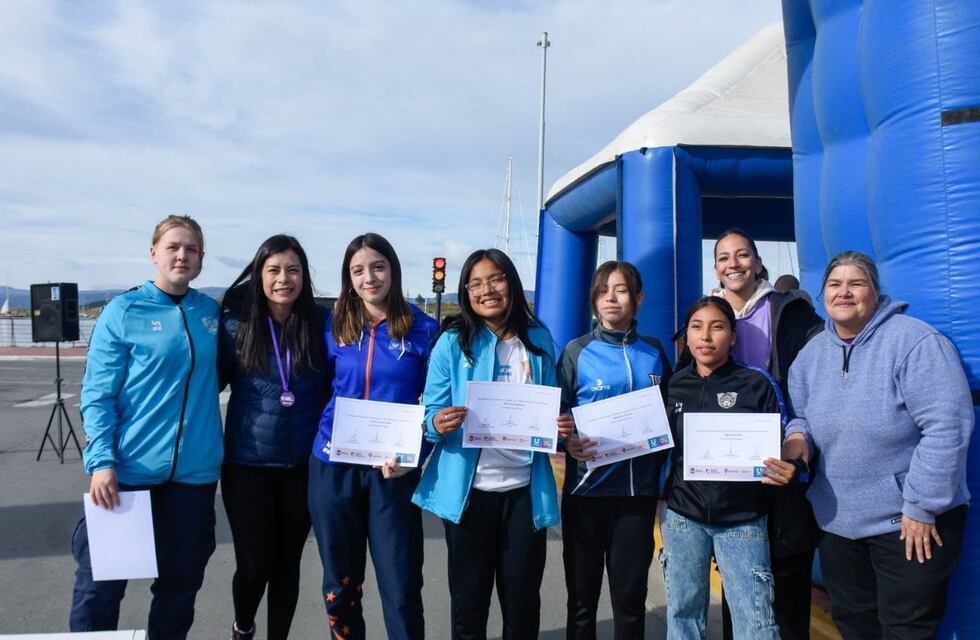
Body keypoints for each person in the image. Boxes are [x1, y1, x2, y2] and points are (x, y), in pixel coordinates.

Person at [783, 251, 973, 638]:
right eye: (835, 284)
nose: (845, 292)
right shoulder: (810, 356)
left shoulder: (915, 341)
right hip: (839, 523)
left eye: (857, 283)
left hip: (908, 522)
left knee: (906, 630)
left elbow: (946, 426)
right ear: (822, 296)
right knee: (855, 627)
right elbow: (801, 415)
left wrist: (921, 506)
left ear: (875, 291)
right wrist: (798, 438)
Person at [70, 215, 223, 639]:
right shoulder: (124, 311)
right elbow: (97, 394)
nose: (181, 255)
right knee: (100, 590)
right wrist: (102, 461)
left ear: (201, 259)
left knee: (179, 588)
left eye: (191, 249)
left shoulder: (210, 313)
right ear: (153, 252)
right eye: (173, 246)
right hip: (128, 475)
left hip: (193, 479)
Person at [412, 248, 561, 640]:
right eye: (475, 283)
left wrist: (561, 426)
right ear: (465, 292)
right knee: (468, 605)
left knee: (523, 604)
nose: (486, 290)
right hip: (469, 495)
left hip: (524, 493)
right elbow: (430, 412)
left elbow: (554, 403)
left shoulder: (540, 339)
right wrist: (436, 423)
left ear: (511, 282)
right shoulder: (452, 342)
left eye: (495, 279)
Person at [308, 233, 437, 640]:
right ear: (348, 278)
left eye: (378, 267)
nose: (369, 277)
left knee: (400, 587)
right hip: (334, 467)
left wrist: (416, 454)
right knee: (340, 585)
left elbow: (436, 406)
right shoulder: (333, 327)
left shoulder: (424, 330)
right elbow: (317, 389)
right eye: (358, 270)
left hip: (392, 474)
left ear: (394, 271)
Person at [659, 296, 797, 640]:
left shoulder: (757, 383)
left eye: (717, 327)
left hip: (743, 519)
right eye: (697, 327)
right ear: (686, 338)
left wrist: (787, 466)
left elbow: (785, 438)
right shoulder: (672, 385)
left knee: (756, 622)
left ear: (733, 336)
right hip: (682, 517)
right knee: (683, 615)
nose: (706, 336)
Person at [711, 228, 823, 639]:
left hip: (783, 468)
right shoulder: (706, 314)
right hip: (728, 473)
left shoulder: (791, 313)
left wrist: (800, 439)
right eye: (724, 258)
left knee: (787, 587)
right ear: (717, 268)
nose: (733, 264)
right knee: (739, 589)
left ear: (758, 263)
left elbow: (817, 388)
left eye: (742, 256)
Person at [219, 235, 328, 640]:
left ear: (305, 277)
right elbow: (204, 384)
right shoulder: (236, 325)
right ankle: (243, 627)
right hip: (247, 466)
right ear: (259, 274)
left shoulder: (319, 324)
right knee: (253, 565)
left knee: (287, 565)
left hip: (302, 467)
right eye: (274, 270)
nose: (284, 279)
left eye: (293, 270)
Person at [557, 260, 672, 639]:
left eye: (621, 290)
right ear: (593, 300)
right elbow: (555, 417)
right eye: (603, 290)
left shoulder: (655, 352)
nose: (611, 298)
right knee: (582, 604)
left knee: (630, 602)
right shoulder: (577, 352)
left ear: (638, 298)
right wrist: (566, 441)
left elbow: (671, 415)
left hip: (636, 499)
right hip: (585, 494)